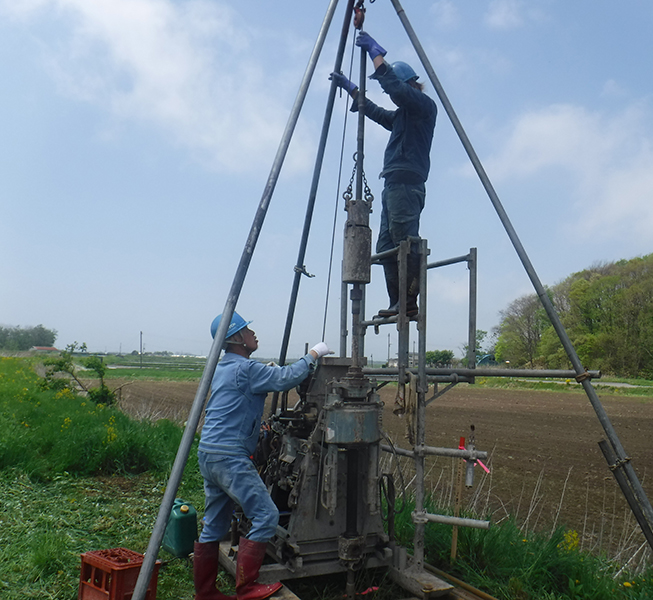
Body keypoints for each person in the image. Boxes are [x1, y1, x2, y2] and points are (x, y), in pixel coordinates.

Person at [193, 311, 332, 600]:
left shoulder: (222, 368)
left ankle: (205, 593)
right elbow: (285, 378)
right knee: (266, 515)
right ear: (235, 339)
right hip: (230, 456)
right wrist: (314, 355)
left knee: (215, 523)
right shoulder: (246, 370)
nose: (253, 334)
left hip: (209, 453)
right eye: (247, 331)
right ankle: (248, 588)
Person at [330, 30, 437, 318]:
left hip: (406, 184)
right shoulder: (404, 116)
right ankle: (397, 302)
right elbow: (378, 113)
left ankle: (409, 302)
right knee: (387, 245)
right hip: (392, 185)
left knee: (404, 240)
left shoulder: (424, 107)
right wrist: (354, 91)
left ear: (408, 84)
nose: (389, 91)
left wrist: (375, 55)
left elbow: (397, 92)